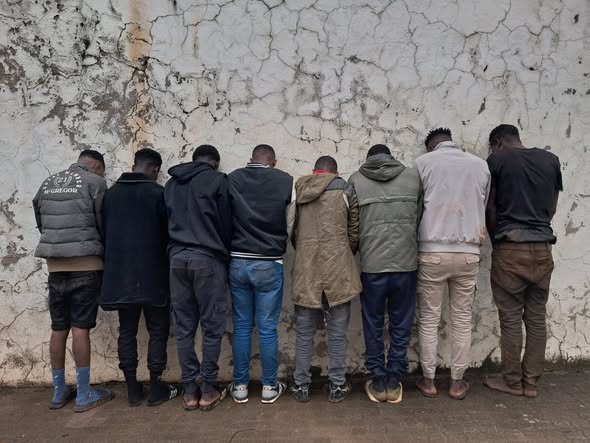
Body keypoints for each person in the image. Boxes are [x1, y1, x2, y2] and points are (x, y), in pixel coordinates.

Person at [483, 124, 562, 398]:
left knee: (511, 319)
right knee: (537, 318)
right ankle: (531, 383)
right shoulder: (551, 160)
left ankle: (513, 381)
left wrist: (498, 241)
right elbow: (552, 206)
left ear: (497, 142)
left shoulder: (497, 159)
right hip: (543, 248)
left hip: (509, 246)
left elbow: (490, 208)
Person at [32, 150, 114, 412]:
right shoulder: (95, 183)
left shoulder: (48, 182)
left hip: (55, 265)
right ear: (97, 166)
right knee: (80, 327)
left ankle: (58, 391)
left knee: (58, 327)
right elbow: (103, 221)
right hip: (86, 264)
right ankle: (84, 393)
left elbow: (40, 219)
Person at [99, 148, 179, 407]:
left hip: (120, 275)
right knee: (158, 330)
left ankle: (133, 389)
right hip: (154, 274)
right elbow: (169, 234)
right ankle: (156, 387)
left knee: (127, 330)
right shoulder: (159, 194)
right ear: (155, 169)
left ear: (134, 165)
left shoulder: (110, 195)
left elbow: (103, 232)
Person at [415, 128, 490, 400]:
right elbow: (483, 205)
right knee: (462, 320)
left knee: (429, 319)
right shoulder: (480, 166)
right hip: (469, 252)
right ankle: (457, 384)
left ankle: (429, 382)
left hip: (432, 251)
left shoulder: (423, 164)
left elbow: (416, 207)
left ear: (430, 147)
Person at [348, 144, 422, 404]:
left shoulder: (356, 180)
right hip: (406, 264)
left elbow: (352, 225)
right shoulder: (413, 177)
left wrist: (359, 249)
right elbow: (418, 218)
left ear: (368, 159)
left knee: (373, 323)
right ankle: (394, 381)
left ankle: (378, 381)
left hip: (372, 266)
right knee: (402, 324)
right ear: (391, 156)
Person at [164, 144, 232, 411]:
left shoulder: (172, 183)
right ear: (214, 162)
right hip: (207, 258)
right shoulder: (218, 180)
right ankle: (208, 389)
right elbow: (226, 222)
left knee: (184, 329)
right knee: (211, 327)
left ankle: (190, 391)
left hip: (176, 259)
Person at [290, 155, 361, 403]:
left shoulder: (300, 189)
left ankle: (301, 385)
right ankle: (337, 385)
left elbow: (293, 230)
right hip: (338, 270)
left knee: (304, 333)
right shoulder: (346, 190)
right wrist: (343, 254)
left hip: (306, 270)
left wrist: (305, 253)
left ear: (314, 171)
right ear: (335, 173)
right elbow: (354, 232)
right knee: (338, 333)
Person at [227, 145, 293, 404]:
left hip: (238, 260)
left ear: (250, 159)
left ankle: (240, 386)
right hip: (268, 261)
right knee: (267, 328)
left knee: (242, 326)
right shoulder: (285, 180)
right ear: (273, 162)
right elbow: (289, 220)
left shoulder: (233, 178)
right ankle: (269, 387)